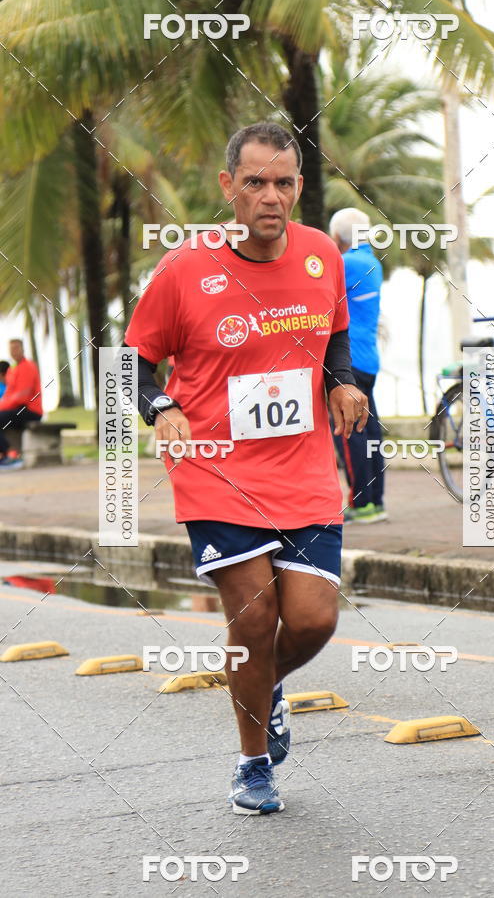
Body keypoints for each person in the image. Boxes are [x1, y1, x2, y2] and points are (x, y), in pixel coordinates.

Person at [125, 122, 368, 815]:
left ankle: (261, 687)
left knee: (315, 621)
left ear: (299, 186)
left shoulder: (322, 255)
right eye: (256, 182)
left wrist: (341, 382)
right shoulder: (185, 270)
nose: (272, 196)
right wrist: (161, 406)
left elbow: (334, 333)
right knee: (256, 621)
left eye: (285, 182)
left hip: (305, 469)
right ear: (228, 187)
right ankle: (253, 762)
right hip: (215, 470)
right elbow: (134, 362)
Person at [329, 207, 386, 522]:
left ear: (337, 237)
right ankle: (376, 502)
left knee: (349, 432)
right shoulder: (371, 262)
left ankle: (361, 503)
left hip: (348, 362)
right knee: (371, 432)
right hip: (368, 360)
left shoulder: (345, 263)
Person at [0, 339, 43, 470]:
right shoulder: (13, 370)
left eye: (16, 348)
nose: (14, 351)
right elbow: (8, 395)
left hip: (30, 410)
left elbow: (21, 397)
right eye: (11, 349)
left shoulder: (28, 367)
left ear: (23, 349)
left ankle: (8, 455)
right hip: (17, 409)